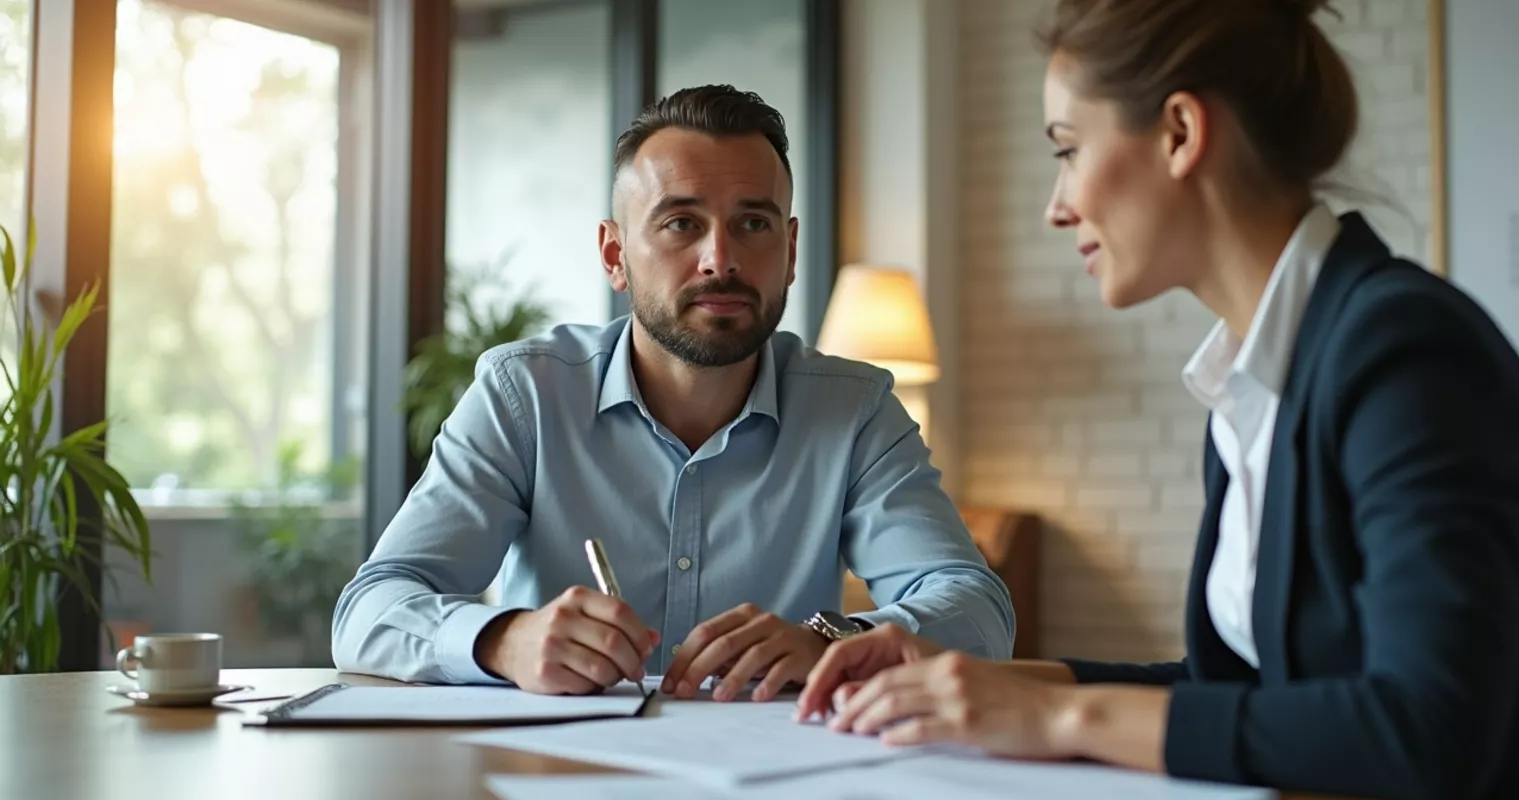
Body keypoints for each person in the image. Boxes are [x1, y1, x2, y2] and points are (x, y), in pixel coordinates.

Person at [794, 1, 1519, 797]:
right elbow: (1236, 696)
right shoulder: (1251, 385)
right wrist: (970, 677)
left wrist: (1061, 718)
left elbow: (1426, 733)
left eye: (1068, 150)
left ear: (1180, 132)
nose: (1056, 205)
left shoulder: (1405, 351)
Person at [331, 84, 1015, 701]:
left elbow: (978, 609)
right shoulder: (526, 395)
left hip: (775, 770)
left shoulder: (855, 410)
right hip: (560, 767)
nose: (721, 258)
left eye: (754, 223)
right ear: (614, 255)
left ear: (790, 251)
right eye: (681, 223)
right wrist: (504, 641)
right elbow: (368, 611)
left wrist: (834, 640)